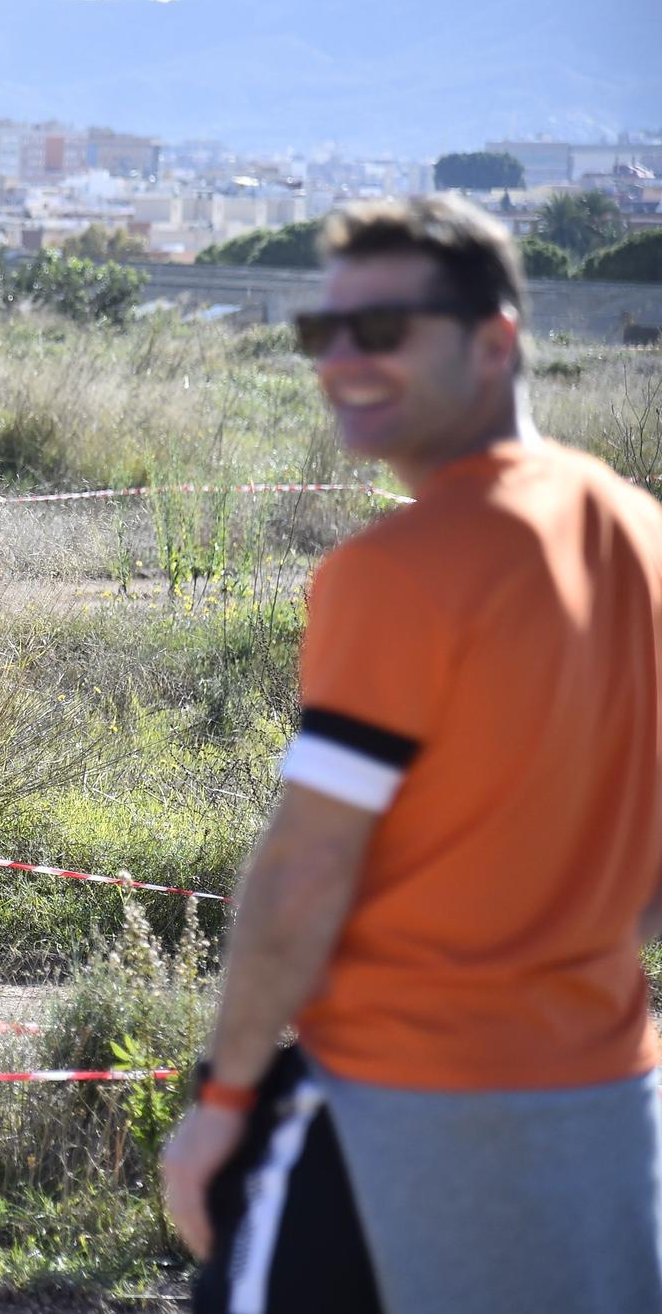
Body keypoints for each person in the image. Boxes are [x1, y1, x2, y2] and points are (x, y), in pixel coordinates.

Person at [160, 195, 662, 1314]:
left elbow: (302, 869)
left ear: (494, 340)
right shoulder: (636, 529)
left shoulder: (399, 568)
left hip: (391, 1101)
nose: (338, 360)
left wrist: (221, 1099)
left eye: (380, 330)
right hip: (603, 1095)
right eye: (319, 333)